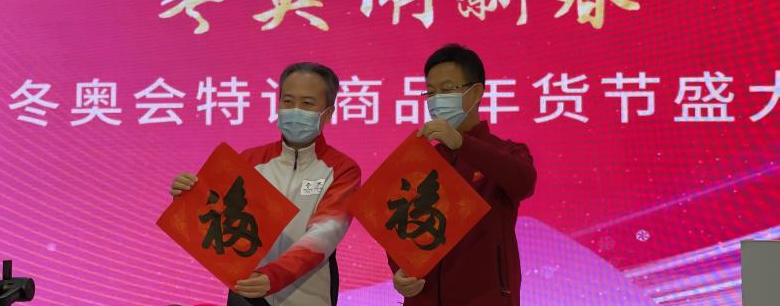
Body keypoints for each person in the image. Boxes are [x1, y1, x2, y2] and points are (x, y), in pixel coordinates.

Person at [170, 62, 361, 306]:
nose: (295, 110)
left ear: (328, 113)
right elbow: (215, 218)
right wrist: (188, 197)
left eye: (307, 103)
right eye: (287, 101)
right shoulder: (249, 161)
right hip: (248, 291)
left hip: (309, 296)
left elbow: (325, 233)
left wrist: (274, 275)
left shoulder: (342, 170)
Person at [390, 44, 537, 305]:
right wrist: (399, 271)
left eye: (447, 90)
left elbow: (524, 183)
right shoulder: (421, 161)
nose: (437, 100)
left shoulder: (507, 152)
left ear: (476, 92)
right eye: (431, 92)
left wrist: (462, 143)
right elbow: (399, 227)